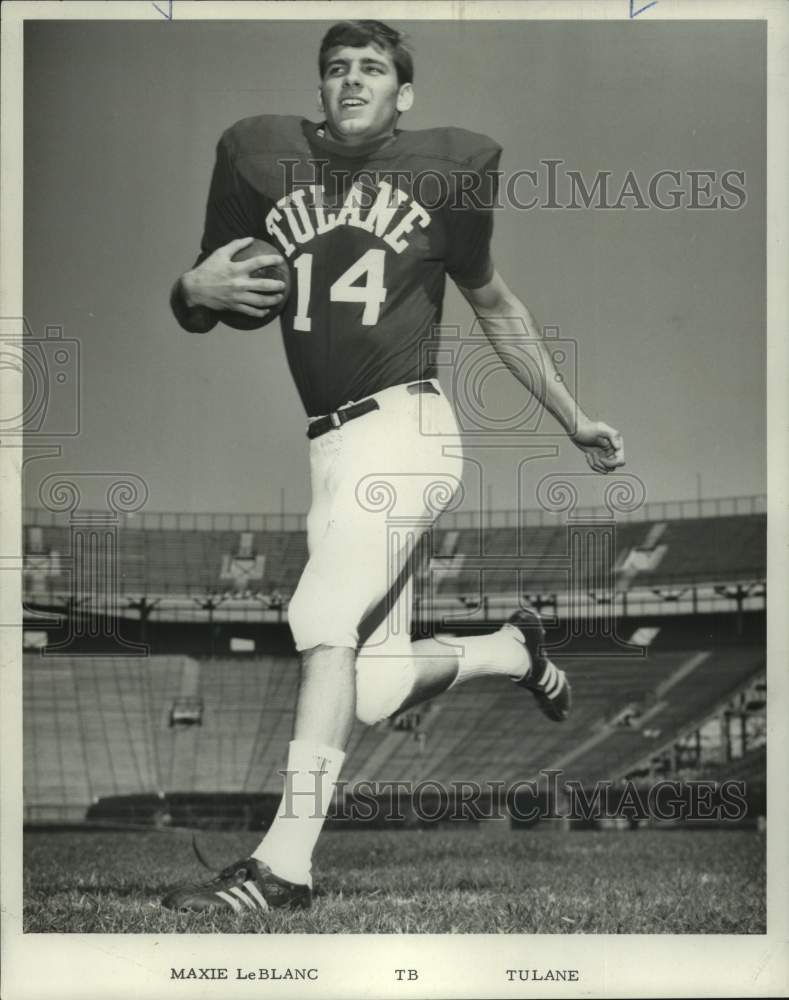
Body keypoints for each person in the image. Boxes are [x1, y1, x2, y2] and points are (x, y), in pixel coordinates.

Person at [163, 20, 625, 914]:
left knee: (320, 612)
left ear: (402, 94)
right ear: (320, 87)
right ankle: (508, 650)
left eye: (372, 69)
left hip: (406, 430)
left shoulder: (445, 170)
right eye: (335, 68)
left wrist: (573, 420)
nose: (350, 82)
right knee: (369, 686)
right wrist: (188, 291)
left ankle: (283, 868)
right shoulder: (260, 158)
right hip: (330, 449)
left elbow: (496, 307)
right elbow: (205, 292)